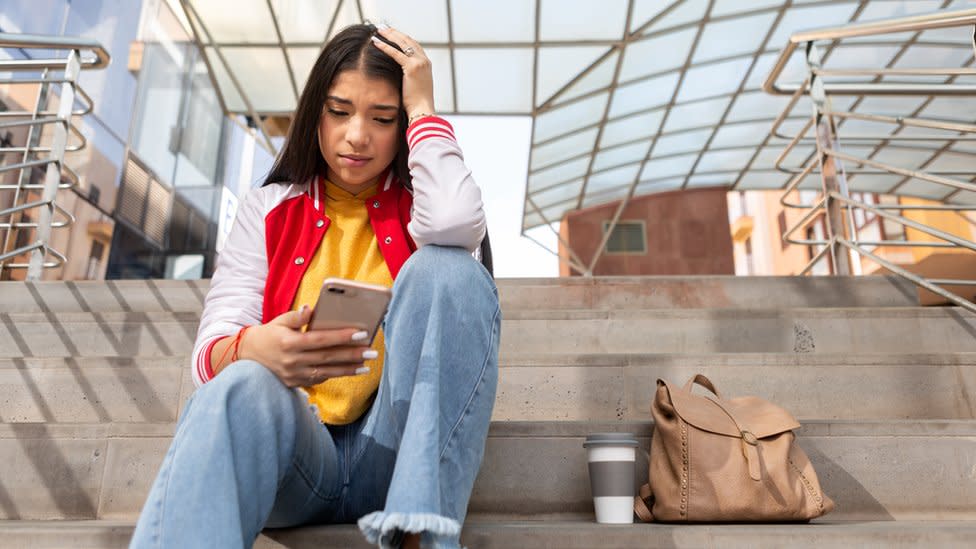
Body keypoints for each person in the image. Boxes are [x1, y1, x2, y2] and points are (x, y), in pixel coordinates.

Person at [130, 23, 500, 549]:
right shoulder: (267, 209)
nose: (357, 135)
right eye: (340, 111)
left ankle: (421, 534)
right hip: (294, 459)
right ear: (315, 114)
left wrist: (424, 109)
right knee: (240, 386)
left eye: (384, 118)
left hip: (396, 460)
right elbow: (206, 358)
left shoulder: (424, 208)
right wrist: (254, 348)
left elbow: (458, 222)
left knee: (451, 271)